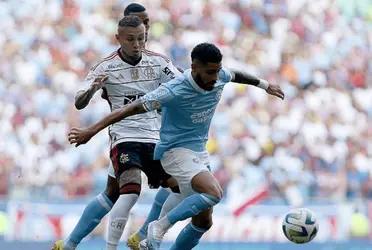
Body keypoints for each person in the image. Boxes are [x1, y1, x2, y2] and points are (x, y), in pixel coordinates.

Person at [67, 42, 284, 250]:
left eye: (217, 71)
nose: (215, 77)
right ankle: (157, 227)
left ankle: (150, 233)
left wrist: (265, 85)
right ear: (194, 67)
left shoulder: (220, 76)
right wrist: (90, 131)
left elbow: (236, 74)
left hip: (198, 151)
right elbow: (129, 109)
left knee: (204, 221)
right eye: (210, 72)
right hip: (174, 151)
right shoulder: (174, 90)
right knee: (214, 193)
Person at [52, 12, 182, 250]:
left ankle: (144, 232)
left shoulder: (159, 62)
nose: (137, 45)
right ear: (118, 38)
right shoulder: (105, 66)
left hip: (155, 138)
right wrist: (92, 90)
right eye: (131, 39)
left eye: (141, 38)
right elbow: (79, 103)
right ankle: (111, 246)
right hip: (124, 136)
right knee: (129, 192)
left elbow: (184, 86)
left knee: (176, 186)